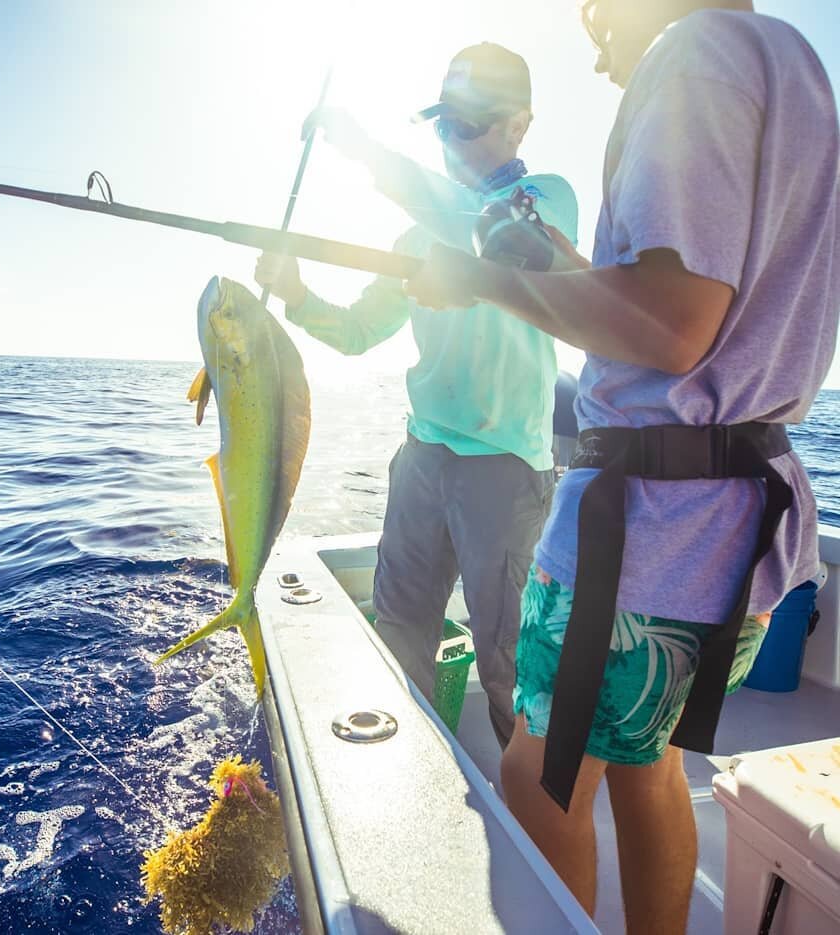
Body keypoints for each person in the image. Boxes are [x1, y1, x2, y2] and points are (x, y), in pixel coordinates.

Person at [403, 1, 839, 931]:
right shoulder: (792, 63)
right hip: (743, 532)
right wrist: (563, 262)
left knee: (540, 771)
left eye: (597, 10)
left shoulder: (693, 56)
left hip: (647, 535)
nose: (593, 34)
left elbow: (672, 325)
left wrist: (477, 280)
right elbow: (702, 301)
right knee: (648, 764)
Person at [256, 44, 579, 748]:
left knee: (504, 662)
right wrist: (297, 295)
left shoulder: (549, 197)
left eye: (468, 125)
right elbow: (357, 330)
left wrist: (368, 152)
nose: (451, 139)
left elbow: (494, 230)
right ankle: (407, 780)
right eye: (443, 124)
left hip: (505, 468)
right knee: (399, 633)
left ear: (518, 127)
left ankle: (529, 818)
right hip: (422, 459)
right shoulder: (417, 226)